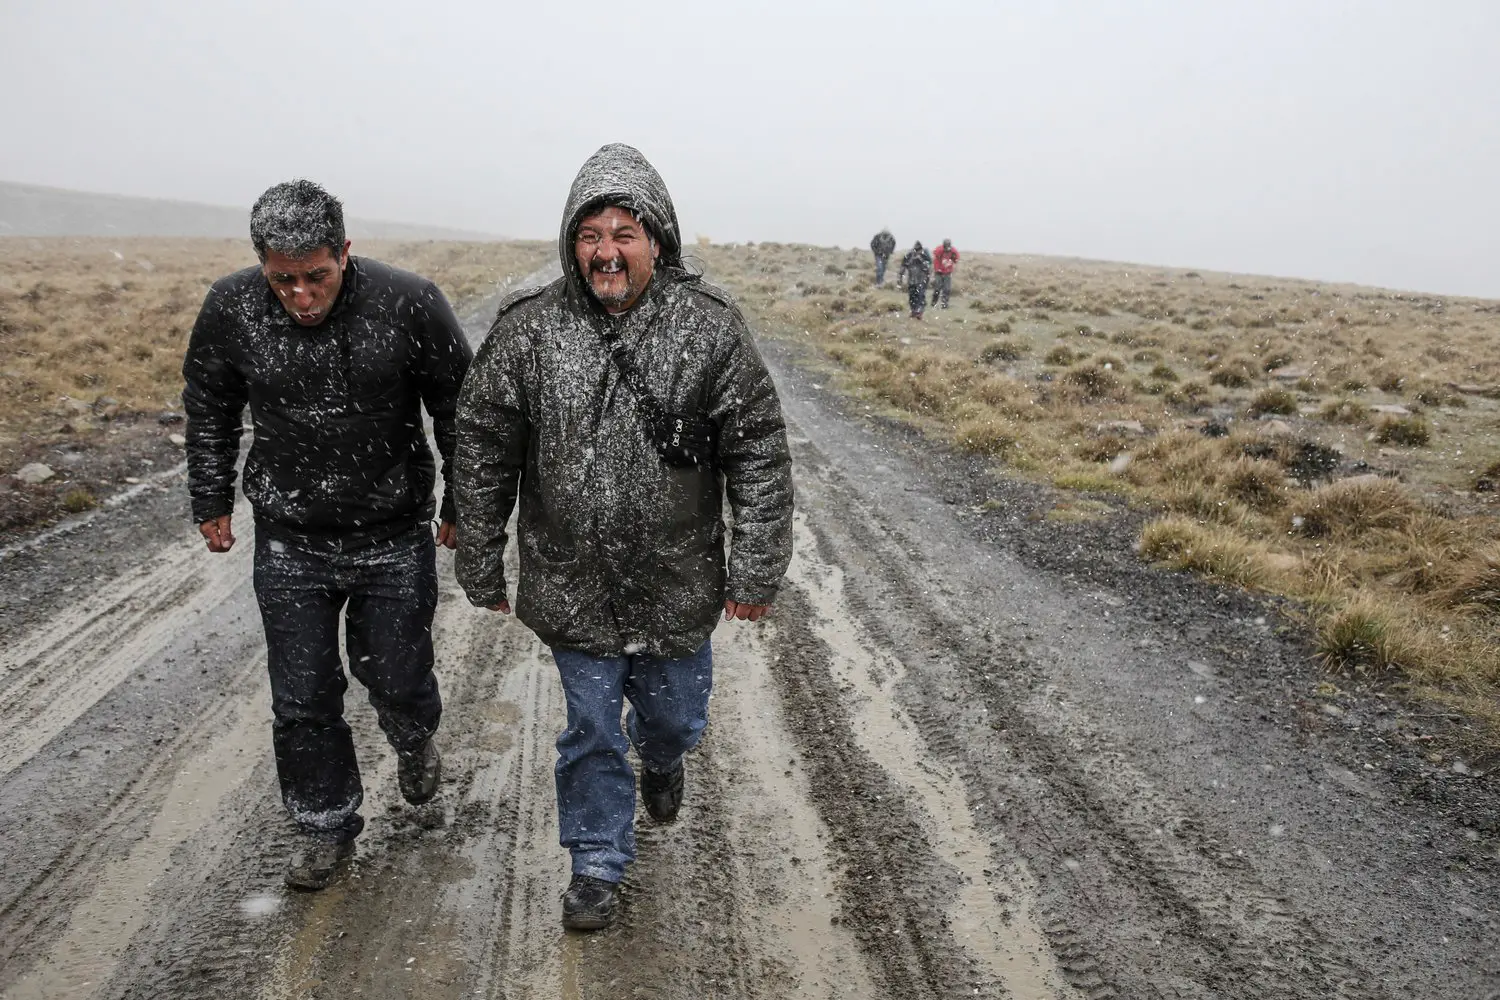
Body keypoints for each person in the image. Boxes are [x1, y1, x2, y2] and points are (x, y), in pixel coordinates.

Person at [454, 144, 794, 932]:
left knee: (674, 718)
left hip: (677, 582)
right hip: (570, 581)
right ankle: (597, 861)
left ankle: (667, 758)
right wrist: (479, 554)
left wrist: (755, 568)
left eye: (624, 233)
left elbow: (759, 451)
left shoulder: (710, 331)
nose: (606, 251)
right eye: (590, 234)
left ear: (659, 241)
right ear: (571, 244)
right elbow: (481, 447)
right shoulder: (529, 333)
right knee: (591, 728)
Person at [182, 180, 472, 891]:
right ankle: (322, 824)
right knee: (303, 695)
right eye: (283, 281)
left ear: (345, 251)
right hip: (290, 539)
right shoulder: (232, 307)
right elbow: (209, 405)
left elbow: (458, 408)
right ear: (261, 266)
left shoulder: (409, 302)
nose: (301, 296)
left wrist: (462, 502)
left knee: (397, 676)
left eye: (317, 276)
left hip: (391, 533)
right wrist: (211, 498)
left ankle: (412, 738)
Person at [902, 240, 932, 318]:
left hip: (921, 279)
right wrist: (900, 277)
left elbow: (928, 267)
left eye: (919, 249)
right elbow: (904, 266)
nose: (918, 251)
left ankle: (919, 311)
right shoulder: (909, 255)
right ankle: (914, 311)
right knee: (912, 297)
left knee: (920, 296)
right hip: (912, 280)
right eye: (916, 249)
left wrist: (921, 260)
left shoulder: (925, 256)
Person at [931, 238, 959, 309]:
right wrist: (938, 269)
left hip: (947, 272)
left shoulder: (953, 251)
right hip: (939, 272)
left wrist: (954, 258)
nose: (947, 250)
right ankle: (934, 302)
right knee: (937, 288)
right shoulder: (939, 250)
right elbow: (935, 258)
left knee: (947, 289)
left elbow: (956, 259)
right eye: (946, 248)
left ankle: (944, 304)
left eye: (948, 248)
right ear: (943, 246)